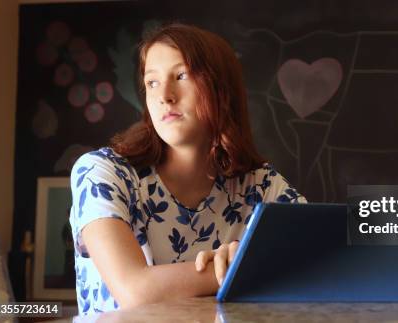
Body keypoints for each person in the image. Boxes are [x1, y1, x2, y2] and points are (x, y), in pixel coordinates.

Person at [69, 23, 306, 315]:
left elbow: (323, 255)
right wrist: (242, 267)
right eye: (152, 82)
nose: (164, 96)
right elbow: (134, 290)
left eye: (181, 76)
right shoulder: (102, 173)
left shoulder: (260, 185)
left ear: (222, 90)